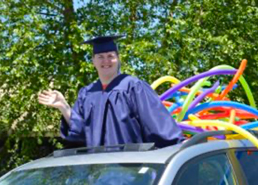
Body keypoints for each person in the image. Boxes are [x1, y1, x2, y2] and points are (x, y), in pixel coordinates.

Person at [38, 35, 183, 148]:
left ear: (118, 59)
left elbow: (158, 125)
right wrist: (64, 107)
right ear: (93, 61)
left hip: (131, 172)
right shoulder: (87, 94)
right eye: (100, 57)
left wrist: (178, 146)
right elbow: (80, 136)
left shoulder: (134, 87)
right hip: (98, 172)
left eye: (110, 56)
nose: (105, 61)